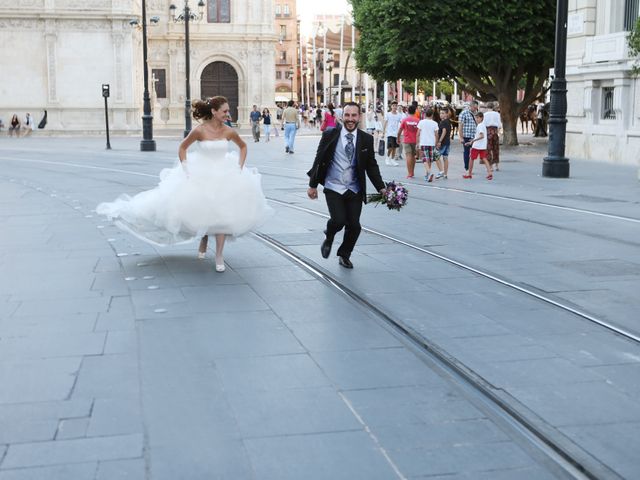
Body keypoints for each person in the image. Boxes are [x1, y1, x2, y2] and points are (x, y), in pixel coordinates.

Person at [96, 96, 272, 272]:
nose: (228, 114)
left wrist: (240, 166)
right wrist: (186, 168)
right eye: (225, 111)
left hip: (225, 174)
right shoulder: (199, 130)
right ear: (214, 111)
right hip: (201, 173)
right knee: (204, 211)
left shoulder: (229, 131)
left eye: (228, 110)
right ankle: (203, 239)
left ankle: (219, 255)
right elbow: (182, 147)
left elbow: (243, 146)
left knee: (223, 215)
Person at [307, 102, 386, 269]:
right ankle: (329, 236)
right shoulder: (330, 134)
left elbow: (371, 166)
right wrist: (312, 185)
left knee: (355, 226)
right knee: (338, 220)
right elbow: (319, 159)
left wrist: (382, 188)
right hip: (333, 185)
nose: (350, 119)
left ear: (359, 117)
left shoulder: (366, 139)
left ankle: (344, 254)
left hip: (354, 188)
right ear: (342, 116)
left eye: (354, 115)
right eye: (347, 115)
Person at [464, 111, 493, 180]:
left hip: (477, 146)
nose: (476, 119)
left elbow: (481, 136)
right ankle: (490, 173)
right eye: (475, 118)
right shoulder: (483, 125)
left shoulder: (480, 126)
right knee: (484, 158)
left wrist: (473, 141)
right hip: (482, 146)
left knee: (471, 159)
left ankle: (469, 174)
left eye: (477, 118)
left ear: (481, 118)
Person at [416, 109, 443, 182]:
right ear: (432, 115)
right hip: (431, 143)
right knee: (429, 160)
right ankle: (427, 174)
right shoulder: (435, 123)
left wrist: (417, 143)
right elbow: (436, 135)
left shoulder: (421, 122)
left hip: (423, 142)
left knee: (424, 159)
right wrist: (436, 143)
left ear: (425, 114)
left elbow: (418, 134)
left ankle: (429, 173)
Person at [397, 105, 419, 178]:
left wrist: (398, 138)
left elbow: (400, 130)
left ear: (408, 111)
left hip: (407, 140)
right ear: (415, 111)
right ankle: (412, 171)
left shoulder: (405, 120)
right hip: (415, 140)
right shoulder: (418, 120)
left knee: (408, 156)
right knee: (413, 156)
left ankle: (409, 173)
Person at [459, 101, 478, 173]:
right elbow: (460, 126)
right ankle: (467, 168)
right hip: (466, 136)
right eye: (474, 107)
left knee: (473, 153)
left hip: (474, 136)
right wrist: (461, 137)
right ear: (471, 106)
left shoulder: (476, 113)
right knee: (466, 152)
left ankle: (470, 168)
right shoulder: (464, 113)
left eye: (476, 108)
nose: (476, 109)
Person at [484, 102, 502, 171]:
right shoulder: (497, 114)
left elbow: (483, 125)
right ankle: (496, 166)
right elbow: (499, 125)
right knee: (496, 149)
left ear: (487, 107)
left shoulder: (484, 115)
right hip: (495, 131)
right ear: (493, 107)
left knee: (488, 149)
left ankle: (490, 166)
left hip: (488, 131)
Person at [436, 108, 452, 179]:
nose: (441, 115)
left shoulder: (443, 122)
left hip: (443, 143)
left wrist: (439, 141)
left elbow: (444, 131)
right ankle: (445, 174)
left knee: (436, 156)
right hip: (447, 142)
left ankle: (441, 171)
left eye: (443, 113)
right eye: (440, 113)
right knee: (445, 158)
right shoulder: (448, 121)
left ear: (446, 114)